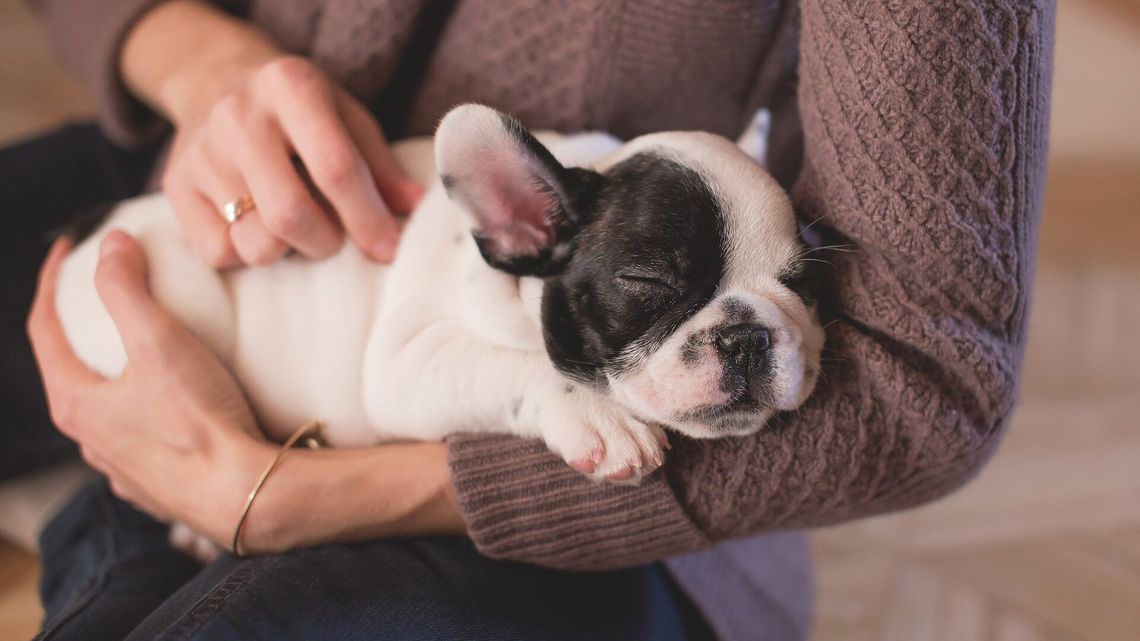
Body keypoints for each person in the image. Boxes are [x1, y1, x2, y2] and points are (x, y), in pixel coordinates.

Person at [7, 0, 1054, 639]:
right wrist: (198, 59)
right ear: (515, 226)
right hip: (206, 208)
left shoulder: (612, 245)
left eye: (796, 287)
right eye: (659, 297)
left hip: (564, 523)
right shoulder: (530, 230)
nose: (743, 334)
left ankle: (110, 517)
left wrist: (269, 495)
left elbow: (931, 376)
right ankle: (121, 504)